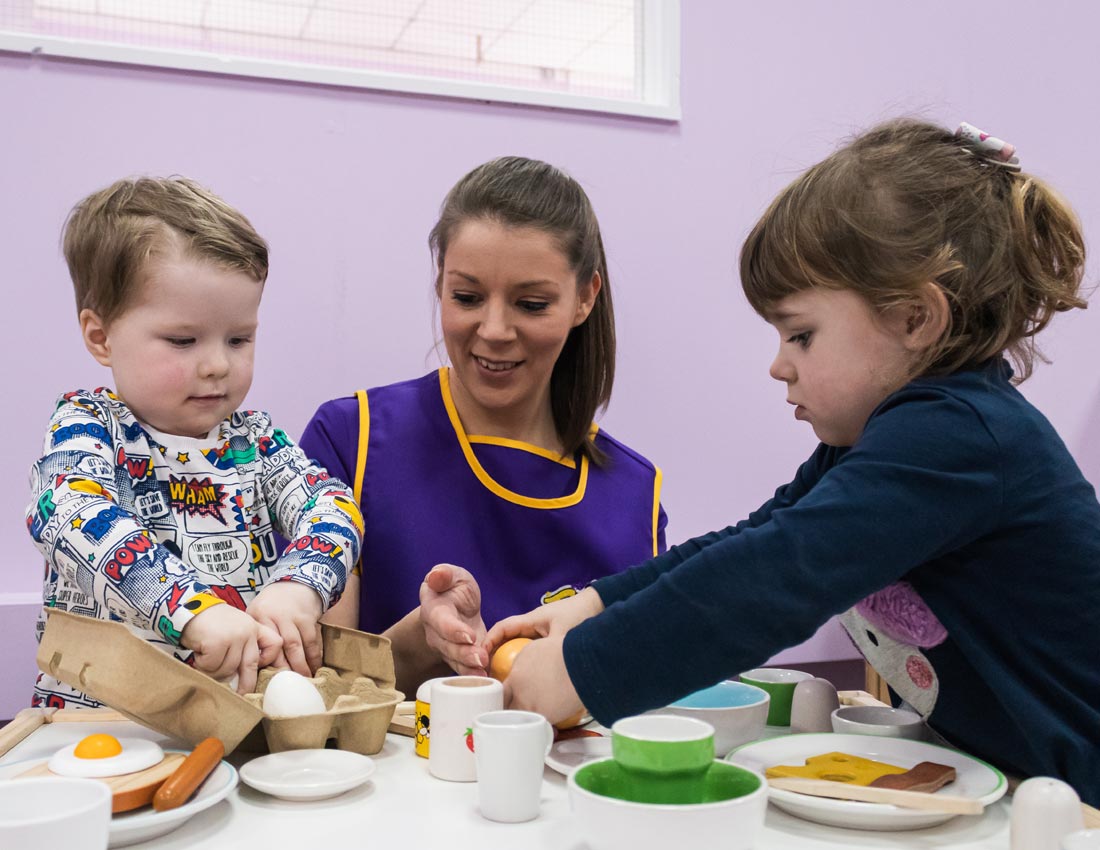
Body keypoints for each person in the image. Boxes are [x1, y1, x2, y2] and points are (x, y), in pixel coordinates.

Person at [488, 120, 1100, 804]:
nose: (780, 365)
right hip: (1032, 788)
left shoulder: (961, 438)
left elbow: (777, 575)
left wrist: (582, 668)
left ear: (914, 319)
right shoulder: (885, 438)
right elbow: (759, 535)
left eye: (801, 335)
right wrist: (592, 606)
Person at [299, 156, 667, 693]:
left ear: (585, 297)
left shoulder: (634, 496)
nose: (494, 330)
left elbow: (642, 698)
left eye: (531, 303)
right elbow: (313, 694)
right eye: (467, 297)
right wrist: (424, 640)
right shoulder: (349, 440)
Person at [27, 177, 364, 708]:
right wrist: (192, 610)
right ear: (101, 336)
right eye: (183, 341)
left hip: (234, 722)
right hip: (100, 732)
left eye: (239, 338)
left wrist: (300, 584)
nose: (217, 365)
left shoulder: (257, 441)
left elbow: (333, 507)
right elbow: (70, 514)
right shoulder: (88, 425)